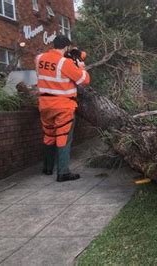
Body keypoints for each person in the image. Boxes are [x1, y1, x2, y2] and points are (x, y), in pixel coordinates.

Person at [35, 35, 90, 182]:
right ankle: (63, 172)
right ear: (66, 47)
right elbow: (84, 80)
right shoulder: (64, 63)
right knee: (63, 138)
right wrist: (81, 67)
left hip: (45, 105)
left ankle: (47, 168)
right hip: (63, 107)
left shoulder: (39, 58)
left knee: (48, 136)